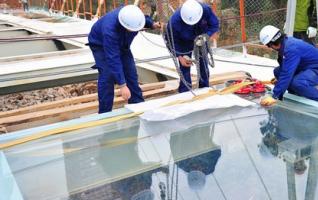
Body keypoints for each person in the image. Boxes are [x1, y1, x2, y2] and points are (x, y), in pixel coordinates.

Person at [88, 5, 160, 113]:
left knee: (131, 74)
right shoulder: (110, 29)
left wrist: (152, 24)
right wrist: (122, 85)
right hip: (101, 45)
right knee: (107, 75)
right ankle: (104, 113)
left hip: (123, 44)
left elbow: (143, 19)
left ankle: (137, 107)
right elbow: (113, 58)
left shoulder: (134, 15)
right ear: (123, 25)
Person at [165, 0, 219, 93]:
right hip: (183, 41)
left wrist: (206, 36)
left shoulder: (205, 10)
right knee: (185, 66)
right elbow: (171, 41)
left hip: (201, 37)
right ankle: (185, 91)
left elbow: (214, 25)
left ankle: (204, 88)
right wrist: (179, 56)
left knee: (203, 63)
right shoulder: (174, 22)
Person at [259, 25, 318, 106]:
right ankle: (296, 94)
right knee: (277, 72)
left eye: (268, 45)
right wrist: (280, 82)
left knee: (298, 83)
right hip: (306, 66)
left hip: (315, 68)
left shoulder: (291, 49)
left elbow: (287, 73)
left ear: (271, 44)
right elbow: (285, 68)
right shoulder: (285, 43)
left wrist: (274, 96)